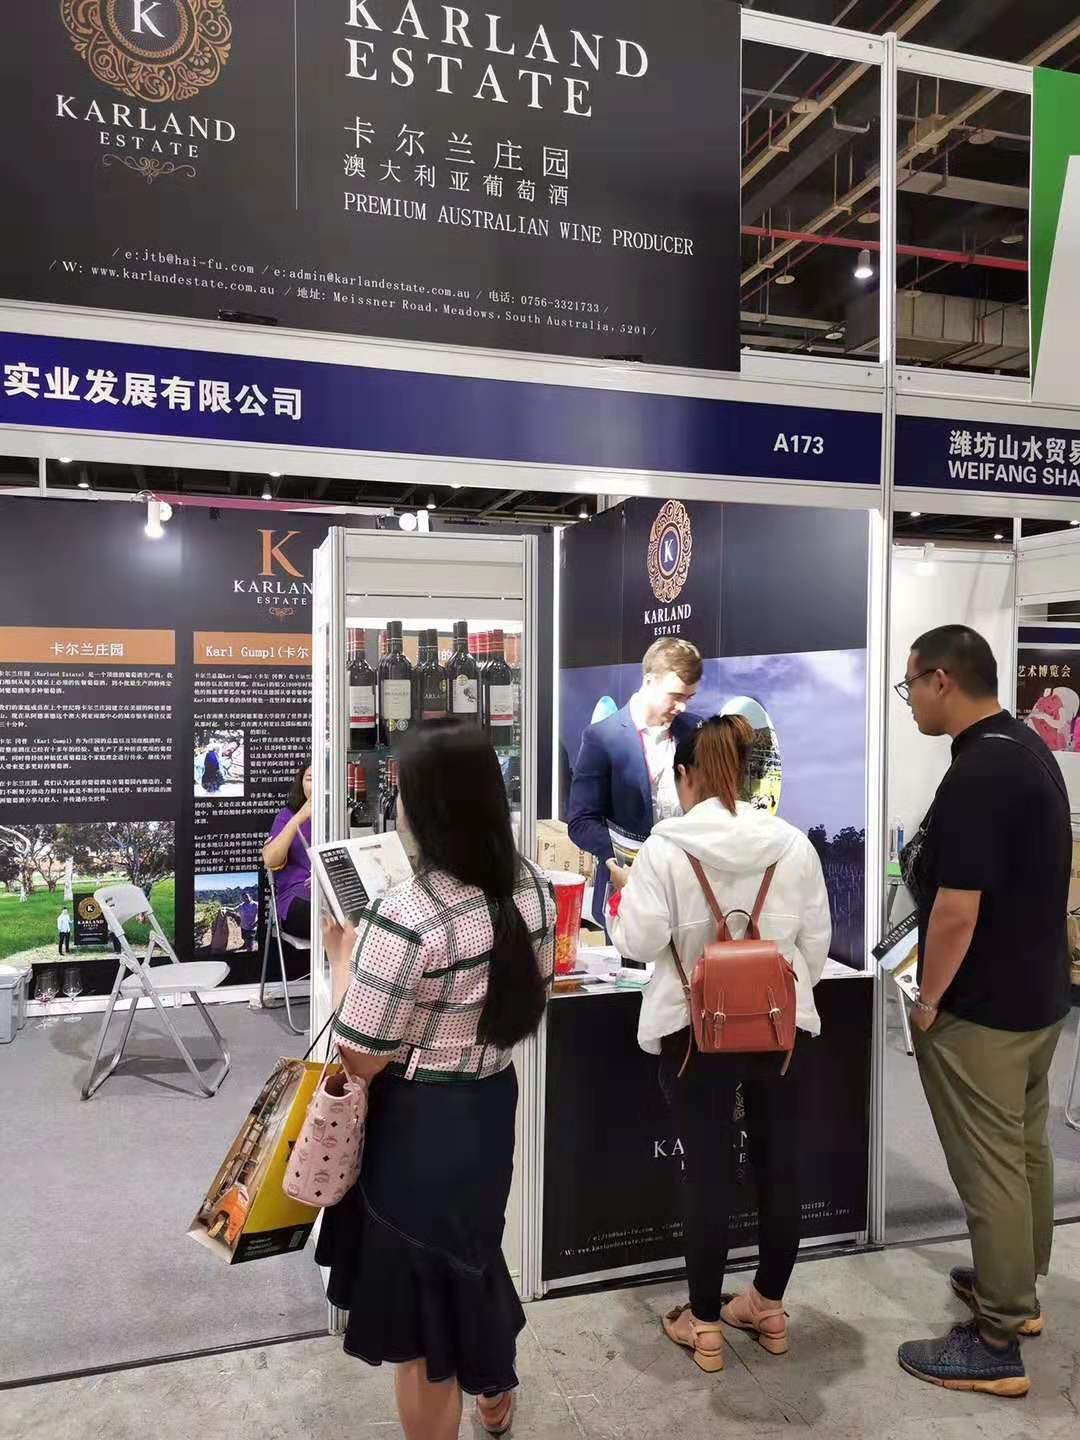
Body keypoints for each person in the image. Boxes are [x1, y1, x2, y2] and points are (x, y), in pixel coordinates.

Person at [319, 721, 555, 1440]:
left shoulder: (405, 915)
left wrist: (340, 961)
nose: (395, 805)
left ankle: (478, 1394)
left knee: (421, 1323)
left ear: (426, 806)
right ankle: (495, 1390)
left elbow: (360, 1056)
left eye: (401, 791)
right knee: (470, 1253)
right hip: (488, 1108)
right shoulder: (533, 889)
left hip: (418, 1129)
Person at [608, 714, 831, 1374]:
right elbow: (815, 949)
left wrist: (627, 896)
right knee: (779, 1166)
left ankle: (704, 1324)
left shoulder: (665, 848)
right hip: (779, 1029)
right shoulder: (793, 845)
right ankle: (769, 1305)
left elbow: (639, 943)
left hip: (692, 1031)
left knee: (706, 1173)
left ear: (685, 775)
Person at [895, 625, 1072, 1400]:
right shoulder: (1027, 748)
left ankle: (997, 1338)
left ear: (942, 679)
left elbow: (956, 911)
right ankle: (1017, 1288)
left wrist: (929, 1000)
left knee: (989, 1165)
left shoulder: (979, 774)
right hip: (1037, 998)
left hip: (986, 1009)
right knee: (1024, 1147)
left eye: (910, 686)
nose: (909, 702)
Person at [568, 637, 705, 924]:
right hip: (627, 890)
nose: (681, 706)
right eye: (675, 695)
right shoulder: (601, 738)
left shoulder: (696, 730)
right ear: (649, 681)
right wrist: (617, 858)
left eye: (689, 697)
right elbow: (581, 822)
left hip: (690, 892)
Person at [262, 764, 312, 939]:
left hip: (337, 895)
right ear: (301, 783)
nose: (317, 785)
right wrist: (300, 816)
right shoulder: (287, 816)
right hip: (296, 898)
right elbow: (270, 860)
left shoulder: (342, 815)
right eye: (310, 779)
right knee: (322, 916)